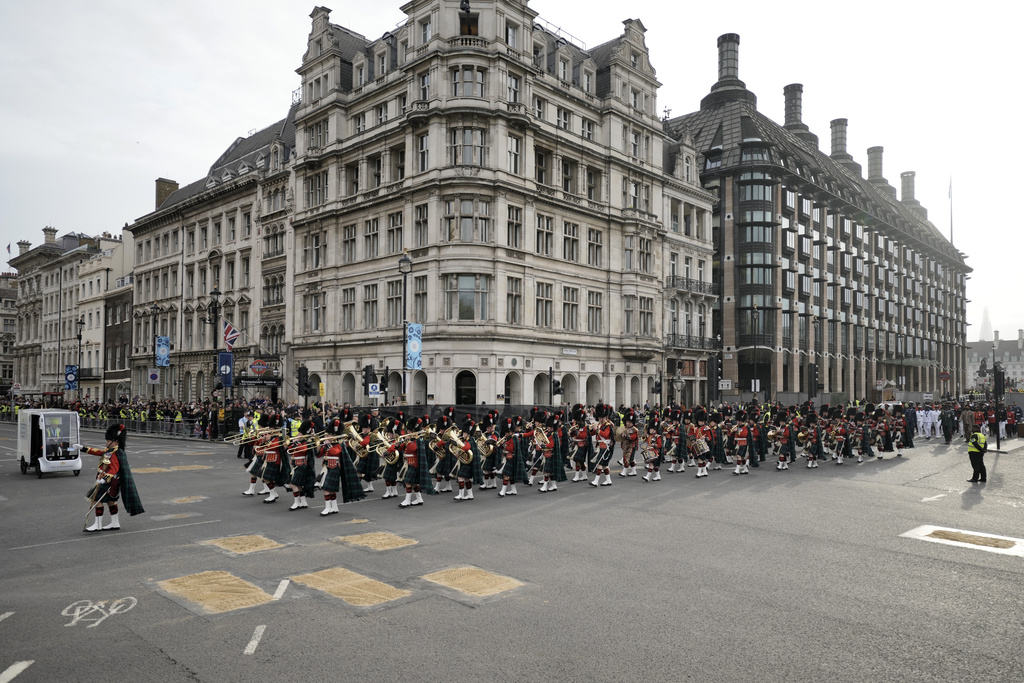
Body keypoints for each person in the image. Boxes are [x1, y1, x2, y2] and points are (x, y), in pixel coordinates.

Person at [74, 423, 144, 532]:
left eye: (108, 441)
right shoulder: (110, 450)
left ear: (114, 441)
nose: (106, 442)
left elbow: (114, 468)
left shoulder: (115, 452)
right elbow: (99, 452)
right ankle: (115, 523)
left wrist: (104, 479)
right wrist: (83, 448)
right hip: (109, 481)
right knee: (111, 501)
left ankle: (98, 524)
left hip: (107, 481)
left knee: (96, 500)